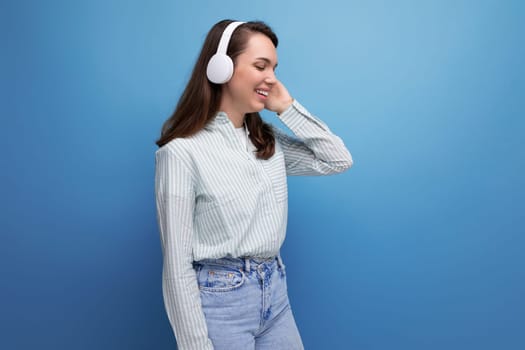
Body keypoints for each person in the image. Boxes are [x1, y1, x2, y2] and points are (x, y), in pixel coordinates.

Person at [154, 19, 353, 350]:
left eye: (274, 67)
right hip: (221, 305)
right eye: (261, 66)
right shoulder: (181, 153)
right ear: (221, 68)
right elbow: (176, 269)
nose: (271, 78)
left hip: (274, 292)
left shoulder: (266, 141)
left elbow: (337, 159)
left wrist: (287, 109)